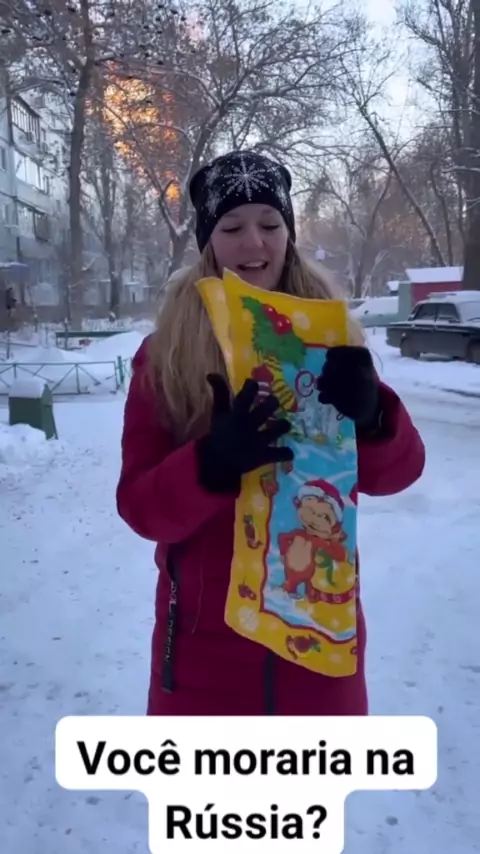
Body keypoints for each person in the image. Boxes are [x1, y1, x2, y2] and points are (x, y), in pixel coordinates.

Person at [117, 150, 425, 716]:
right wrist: (209, 465)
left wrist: (373, 418)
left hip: (321, 652)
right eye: (232, 227)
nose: (253, 243)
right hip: (200, 662)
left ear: (289, 234)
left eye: (270, 224)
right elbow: (140, 508)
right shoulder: (165, 355)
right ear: (209, 242)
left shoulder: (329, 335)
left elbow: (399, 474)